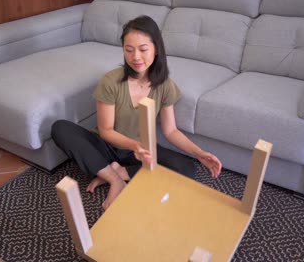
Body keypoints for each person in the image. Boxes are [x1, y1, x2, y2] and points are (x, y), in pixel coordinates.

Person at [51, 15, 222, 210]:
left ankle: (118, 172)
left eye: (143, 49)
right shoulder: (111, 81)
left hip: (139, 152)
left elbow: (171, 131)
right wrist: (135, 145)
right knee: (60, 128)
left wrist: (199, 154)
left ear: (156, 49)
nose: (136, 57)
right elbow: (106, 130)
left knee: (187, 168)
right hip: (107, 146)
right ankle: (115, 180)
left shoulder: (165, 85)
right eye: (129, 50)